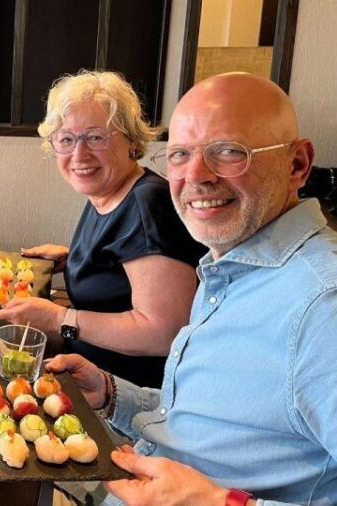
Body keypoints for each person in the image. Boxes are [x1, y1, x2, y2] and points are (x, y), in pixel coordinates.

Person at [50, 73, 336, 505]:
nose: (196, 176)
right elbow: (208, 419)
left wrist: (218, 502)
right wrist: (113, 394)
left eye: (228, 151)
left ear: (297, 164)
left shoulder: (322, 306)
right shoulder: (228, 266)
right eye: (181, 154)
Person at [0, 71, 206, 387]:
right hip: (87, 373)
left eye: (95, 137)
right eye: (66, 139)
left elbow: (164, 332)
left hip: (127, 399)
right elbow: (125, 267)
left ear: (131, 140)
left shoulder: (148, 204)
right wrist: (77, 258)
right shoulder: (108, 193)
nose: (79, 154)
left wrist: (56, 319)